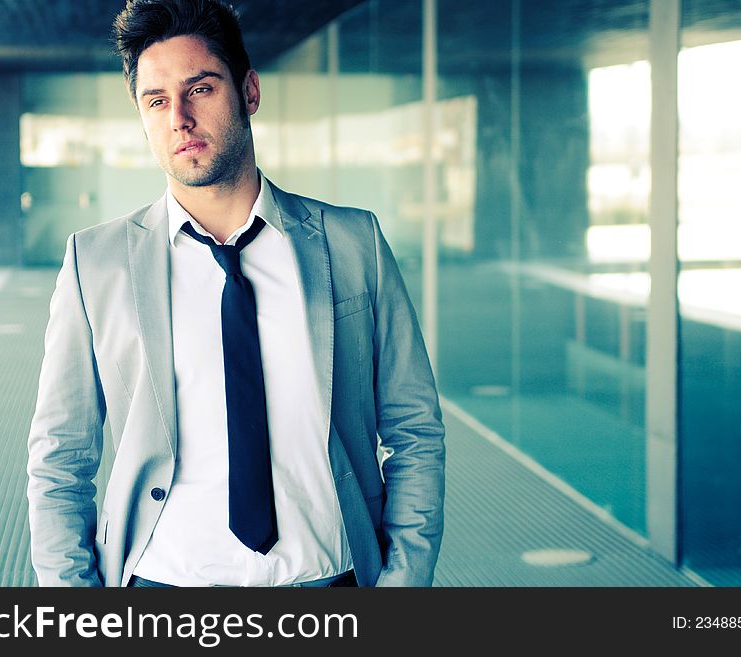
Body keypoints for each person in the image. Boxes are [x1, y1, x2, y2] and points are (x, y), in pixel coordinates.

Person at [26, 0, 445, 588]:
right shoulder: (95, 265)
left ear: (249, 91)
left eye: (200, 89)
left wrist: (404, 582)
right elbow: (60, 458)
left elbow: (414, 430)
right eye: (157, 101)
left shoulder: (354, 245)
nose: (180, 118)